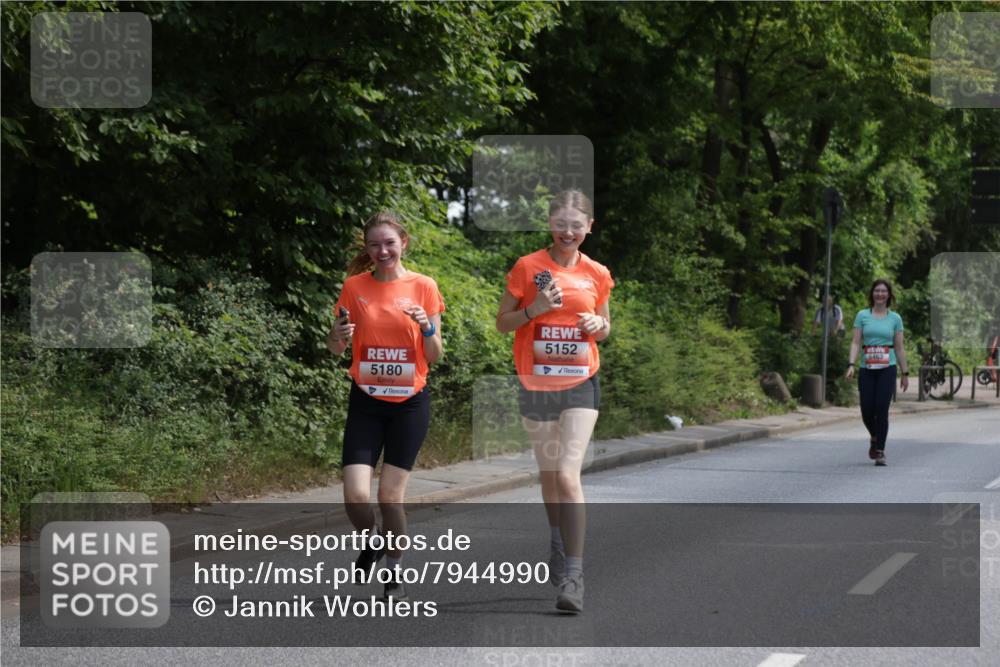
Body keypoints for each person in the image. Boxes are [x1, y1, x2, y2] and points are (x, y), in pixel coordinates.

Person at [495, 190, 613, 613]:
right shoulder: (528, 268)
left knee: (566, 474)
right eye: (561, 224)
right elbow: (502, 323)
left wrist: (598, 325)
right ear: (550, 224)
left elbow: (605, 327)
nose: (568, 232)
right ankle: (558, 542)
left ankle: (574, 577)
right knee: (549, 476)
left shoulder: (597, 272)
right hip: (537, 383)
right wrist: (535, 309)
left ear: (588, 228)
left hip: (581, 382)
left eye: (576, 225)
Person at [327, 211, 444, 600]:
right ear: (367, 248)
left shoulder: (424, 286)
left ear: (403, 243)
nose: (382, 251)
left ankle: (394, 570)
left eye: (389, 243)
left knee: (390, 497)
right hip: (366, 401)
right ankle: (373, 541)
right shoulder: (354, 287)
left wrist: (426, 326)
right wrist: (336, 334)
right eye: (374, 245)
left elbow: (435, 354)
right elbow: (336, 347)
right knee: (355, 496)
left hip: (409, 405)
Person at [846, 279, 909, 466]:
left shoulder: (895, 318)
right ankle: (875, 436)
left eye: (883, 291)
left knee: (882, 409)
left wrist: (905, 373)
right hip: (867, 368)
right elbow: (855, 342)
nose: (880, 294)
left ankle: (880, 450)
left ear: (889, 295)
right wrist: (851, 364)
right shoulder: (862, 315)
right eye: (877, 291)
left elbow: (899, 347)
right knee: (866, 410)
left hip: (887, 368)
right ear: (872, 294)